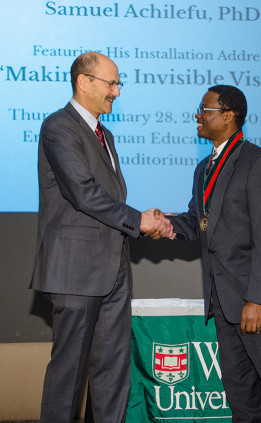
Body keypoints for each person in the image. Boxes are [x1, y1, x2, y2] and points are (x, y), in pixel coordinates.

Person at [30, 52, 171, 423]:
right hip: (75, 271)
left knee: (113, 374)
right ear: (84, 82)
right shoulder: (58, 127)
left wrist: (146, 222)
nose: (117, 92)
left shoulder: (104, 134)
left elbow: (111, 200)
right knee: (69, 377)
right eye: (110, 83)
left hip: (115, 270)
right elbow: (83, 193)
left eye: (117, 83)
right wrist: (138, 220)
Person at [165, 85, 261, 422]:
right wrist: (161, 224)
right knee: (243, 399)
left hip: (258, 308)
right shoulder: (203, 169)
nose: (198, 115)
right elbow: (199, 222)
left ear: (227, 117)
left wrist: (257, 301)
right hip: (225, 305)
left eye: (204, 109)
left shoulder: (258, 163)